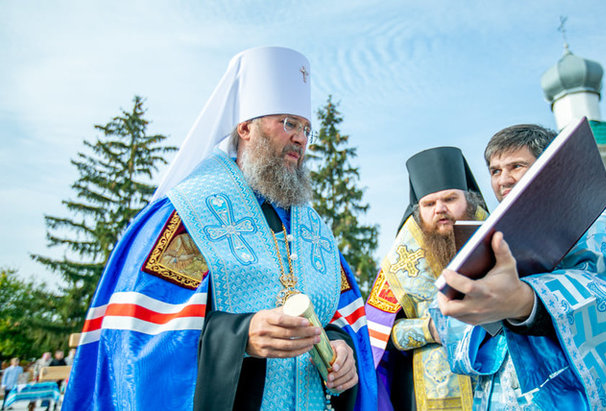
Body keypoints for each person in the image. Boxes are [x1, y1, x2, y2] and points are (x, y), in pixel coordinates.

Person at [62, 46, 376, 410]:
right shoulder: (188, 216)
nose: (301, 139)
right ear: (245, 128)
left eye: (306, 128)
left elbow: (340, 315)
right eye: (288, 123)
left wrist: (341, 346)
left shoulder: (313, 231)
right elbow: (143, 338)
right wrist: (241, 337)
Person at [431, 124, 606, 409]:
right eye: (495, 171)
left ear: (548, 167)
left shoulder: (597, 223)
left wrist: (527, 302)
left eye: (516, 165)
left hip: (578, 394)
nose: (504, 179)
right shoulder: (484, 237)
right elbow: (449, 319)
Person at [365, 147, 488, 410]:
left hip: (497, 384)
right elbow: (381, 335)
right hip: (434, 394)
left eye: (450, 199)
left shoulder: (498, 237)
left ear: (469, 200)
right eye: (429, 204)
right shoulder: (399, 260)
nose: (440, 209)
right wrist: (430, 329)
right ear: (418, 210)